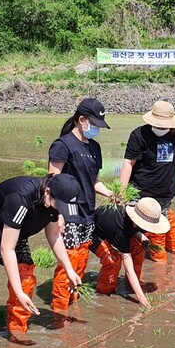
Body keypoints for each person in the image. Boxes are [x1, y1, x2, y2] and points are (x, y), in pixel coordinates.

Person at [0, 174, 83, 343]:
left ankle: (17, 330)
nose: (60, 210)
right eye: (61, 205)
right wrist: (18, 292)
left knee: (26, 278)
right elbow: (7, 249)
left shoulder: (52, 203)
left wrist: (69, 269)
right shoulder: (20, 198)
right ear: (47, 192)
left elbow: (54, 235)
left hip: (15, 233)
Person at [47, 97, 115, 314]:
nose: (96, 129)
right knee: (69, 258)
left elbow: (94, 181)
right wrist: (57, 214)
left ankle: (73, 301)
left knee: (82, 257)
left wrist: (111, 194)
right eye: (93, 124)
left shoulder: (94, 147)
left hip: (88, 211)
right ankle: (59, 309)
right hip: (68, 212)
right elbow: (52, 181)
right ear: (81, 119)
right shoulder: (63, 145)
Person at [119, 101, 175, 262]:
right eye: (158, 125)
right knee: (136, 234)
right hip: (140, 193)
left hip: (165, 194)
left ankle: (160, 268)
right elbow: (128, 163)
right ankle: (137, 266)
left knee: (159, 232)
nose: (160, 128)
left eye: (163, 126)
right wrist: (122, 191)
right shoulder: (138, 135)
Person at [91, 198, 171, 307]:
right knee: (113, 260)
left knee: (139, 247)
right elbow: (128, 269)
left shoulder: (132, 217)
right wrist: (141, 297)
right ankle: (104, 293)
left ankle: (131, 284)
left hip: (112, 226)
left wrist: (141, 236)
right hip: (92, 232)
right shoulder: (120, 229)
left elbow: (131, 227)